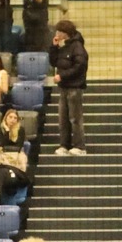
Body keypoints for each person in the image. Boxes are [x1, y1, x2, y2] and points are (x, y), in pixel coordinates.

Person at [50, 19, 88, 156]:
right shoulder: (63, 46)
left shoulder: (77, 47)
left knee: (75, 118)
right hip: (63, 88)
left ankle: (79, 146)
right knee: (63, 119)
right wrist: (54, 47)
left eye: (59, 31)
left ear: (66, 33)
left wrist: (62, 76)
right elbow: (53, 62)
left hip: (74, 88)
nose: (57, 33)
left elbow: (80, 66)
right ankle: (64, 145)